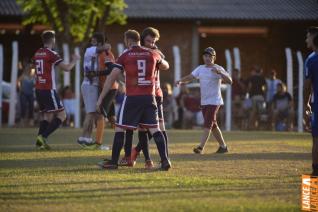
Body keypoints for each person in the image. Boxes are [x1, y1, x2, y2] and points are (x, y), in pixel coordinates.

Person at [96, 29, 171, 170]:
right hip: (150, 97)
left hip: (132, 97)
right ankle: (165, 160)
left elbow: (112, 76)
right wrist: (159, 60)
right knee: (155, 129)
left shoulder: (126, 54)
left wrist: (101, 98)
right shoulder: (153, 53)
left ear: (127, 40)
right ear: (140, 40)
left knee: (120, 128)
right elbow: (166, 66)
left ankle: (113, 161)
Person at [175, 47, 232, 154]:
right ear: (203, 57)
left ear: (214, 57)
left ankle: (200, 147)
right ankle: (223, 146)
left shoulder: (218, 68)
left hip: (214, 101)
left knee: (207, 124)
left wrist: (220, 72)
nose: (207, 58)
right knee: (213, 125)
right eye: (206, 56)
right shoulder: (200, 68)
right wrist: (180, 81)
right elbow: (191, 77)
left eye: (210, 56)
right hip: (204, 101)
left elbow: (229, 81)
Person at [32, 30, 80, 150]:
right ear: (53, 40)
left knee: (47, 116)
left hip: (38, 89)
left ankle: (39, 143)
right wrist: (75, 60)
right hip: (48, 89)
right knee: (62, 115)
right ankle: (43, 137)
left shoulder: (37, 52)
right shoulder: (51, 53)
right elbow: (67, 68)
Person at [77, 32, 111, 149]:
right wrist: (106, 47)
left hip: (91, 85)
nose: (92, 42)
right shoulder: (90, 50)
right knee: (91, 113)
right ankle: (84, 138)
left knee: (93, 113)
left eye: (93, 40)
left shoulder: (94, 52)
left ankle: (87, 138)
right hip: (90, 84)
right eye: (93, 41)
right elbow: (105, 47)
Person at [304, 26, 318, 176]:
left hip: (316, 105)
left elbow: (307, 87)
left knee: (316, 140)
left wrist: (305, 105)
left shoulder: (312, 59)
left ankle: (315, 174)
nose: (306, 39)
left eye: (308, 36)